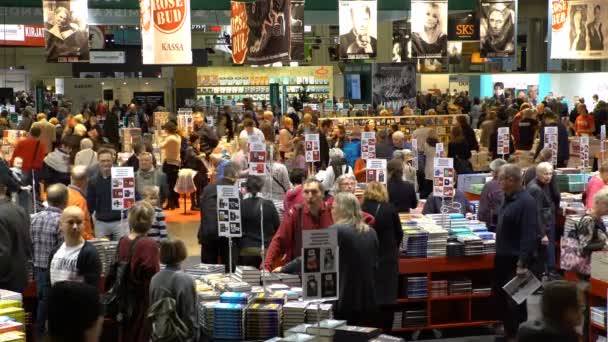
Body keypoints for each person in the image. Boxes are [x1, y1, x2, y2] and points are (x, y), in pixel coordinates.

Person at [494, 163, 539, 342]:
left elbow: (529, 234)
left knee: (517, 301)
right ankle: (509, 332)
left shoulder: (526, 202)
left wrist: (522, 263)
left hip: (516, 260)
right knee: (501, 297)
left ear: (511, 180)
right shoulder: (507, 197)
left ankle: (518, 336)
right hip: (502, 257)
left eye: (500, 179)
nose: (498, 182)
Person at [263, 178, 333, 271]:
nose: (310, 196)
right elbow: (279, 240)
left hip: (327, 269)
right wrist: (266, 267)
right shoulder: (296, 213)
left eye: (314, 192)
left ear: (322, 194)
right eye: (306, 192)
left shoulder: (331, 212)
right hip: (298, 272)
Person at [330, 192, 379, 325]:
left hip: (345, 298)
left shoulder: (336, 230)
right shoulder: (371, 232)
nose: (331, 211)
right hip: (368, 298)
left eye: (333, 208)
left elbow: (312, 256)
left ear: (341, 209)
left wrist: (285, 268)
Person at [115, 201, 160, 342]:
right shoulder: (150, 245)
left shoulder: (122, 241)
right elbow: (153, 276)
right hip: (142, 302)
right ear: (151, 221)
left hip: (124, 299)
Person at [361, 182, 402, 331]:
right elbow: (399, 233)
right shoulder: (389, 209)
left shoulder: (361, 209)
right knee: (388, 298)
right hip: (387, 260)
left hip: (367, 259)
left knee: (369, 298)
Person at [30, 183, 68, 337]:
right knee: (54, 307)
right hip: (56, 272)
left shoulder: (34, 218)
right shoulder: (62, 221)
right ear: (65, 200)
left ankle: (40, 335)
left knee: (42, 302)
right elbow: (64, 249)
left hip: (38, 268)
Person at [149, 239, 199, 342]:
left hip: (159, 334)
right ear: (182, 254)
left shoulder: (155, 278)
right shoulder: (186, 279)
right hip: (180, 336)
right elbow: (189, 316)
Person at [198, 162, 240, 272]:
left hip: (207, 234)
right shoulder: (236, 192)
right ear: (235, 175)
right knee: (229, 270)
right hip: (228, 235)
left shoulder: (208, 188)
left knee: (208, 270)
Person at [48, 206, 101, 287]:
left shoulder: (90, 253)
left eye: (79, 222)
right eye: (70, 222)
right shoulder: (55, 251)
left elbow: (92, 289)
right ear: (61, 225)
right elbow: (48, 283)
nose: (75, 226)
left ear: (84, 225)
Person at [527, 162, 560, 279]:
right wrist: (543, 234)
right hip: (542, 227)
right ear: (538, 174)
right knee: (541, 255)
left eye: (551, 174)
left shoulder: (542, 184)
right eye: (546, 174)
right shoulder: (536, 189)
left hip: (544, 223)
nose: (549, 176)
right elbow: (537, 212)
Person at [239, 175, 280, 267]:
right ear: (261, 187)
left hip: (246, 249)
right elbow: (277, 226)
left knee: (248, 279)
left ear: (247, 188)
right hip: (266, 249)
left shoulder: (241, 205)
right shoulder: (269, 204)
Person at [0, 175, 31, 293]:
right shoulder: (20, 210)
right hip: (21, 277)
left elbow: (2, 254)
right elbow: (27, 243)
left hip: (4, 284)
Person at [88, 148, 127, 241]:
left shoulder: (122, 177)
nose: (106, 163)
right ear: (98, 161)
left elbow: (133, 197)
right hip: (101, 223)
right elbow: (90, 204)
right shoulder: (93, 181)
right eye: (103, 161)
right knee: (102, 253)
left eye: (108, 160)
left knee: (121, 252)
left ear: (113, 161)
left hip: (120, 222)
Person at [478, 159, 506, 232]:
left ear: (495, 172)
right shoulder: (512, 184)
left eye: (491, 170)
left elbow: (483, 209)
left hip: (493, 225)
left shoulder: (490, 185)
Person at [68, 165, 94, 240]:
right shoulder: (79, 200)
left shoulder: (64, 194)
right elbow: (79, 227)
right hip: (80, 241)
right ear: (86, 180)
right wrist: (91, 239)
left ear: (71, 178)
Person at [160, 121, 182, 210]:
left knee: (169, 184)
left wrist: (162, 137)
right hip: (175, 162)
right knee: (173, 184)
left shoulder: (170, 138)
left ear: (167, 129)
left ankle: (170, 204)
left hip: (170, 163)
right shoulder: (178, 136)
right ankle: (175, 203)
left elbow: (161, 146)